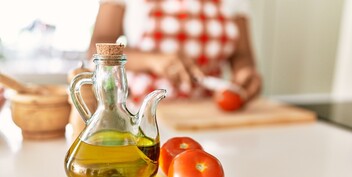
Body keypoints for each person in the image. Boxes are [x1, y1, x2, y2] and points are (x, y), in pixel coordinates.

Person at [87, 0, 262, 102]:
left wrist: (245, 73)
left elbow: (242, 55)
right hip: (142, 114)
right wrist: (152, 60)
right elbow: (97, 47)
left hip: (210, 112)